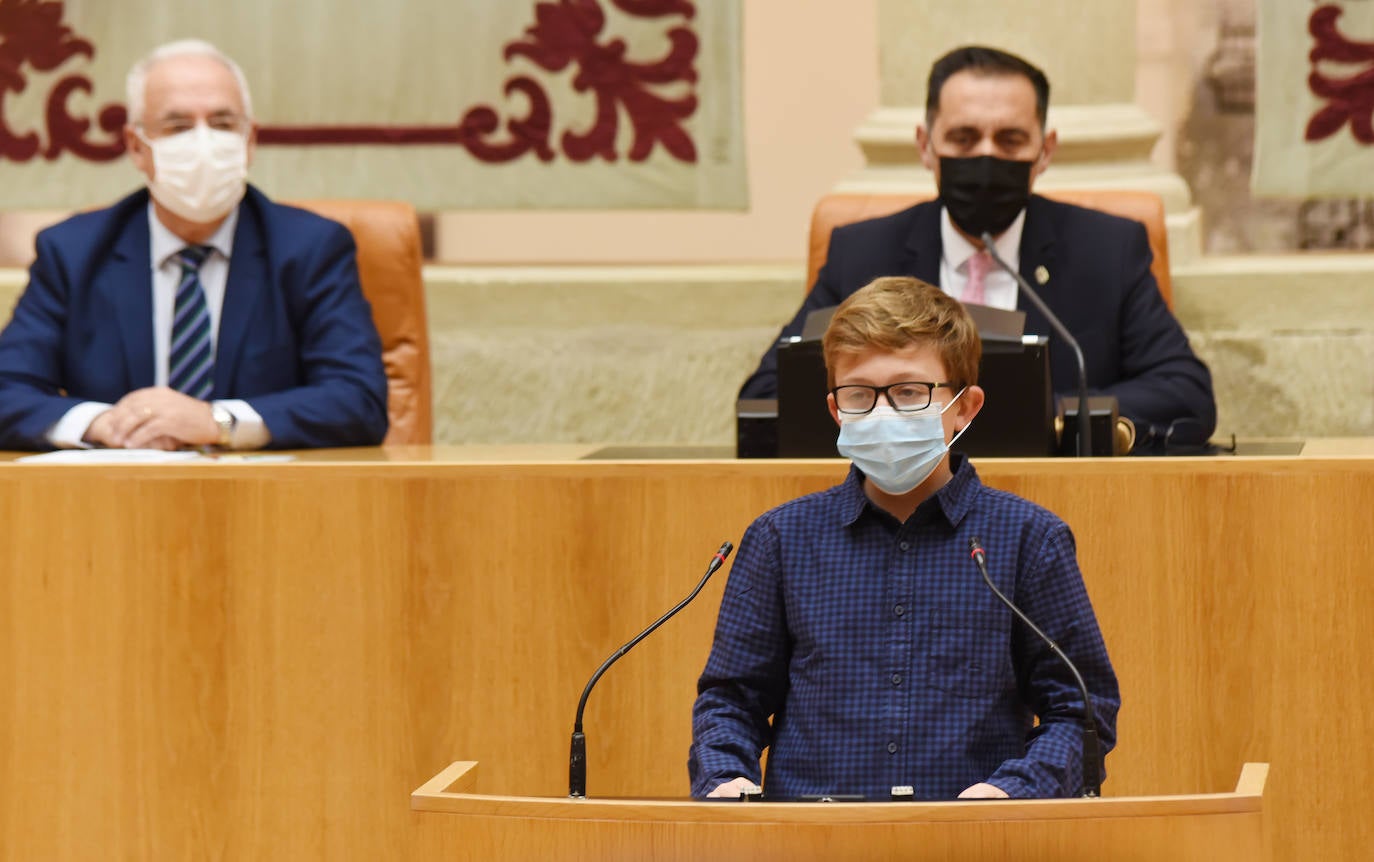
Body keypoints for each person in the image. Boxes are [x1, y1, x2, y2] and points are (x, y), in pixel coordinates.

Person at [691, 277, 1120, 800]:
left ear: (964, 407)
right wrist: (723, 779)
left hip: (974, 841)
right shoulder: (780, 539)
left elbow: (1082, 709)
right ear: (835, 410)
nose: (883, 413)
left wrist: (1013, 792)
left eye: (910, 392)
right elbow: (731, 701)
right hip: (811, 840)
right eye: (859, 394)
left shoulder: (1030, 539)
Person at [739, 45, 1216, 450]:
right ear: (926, 146)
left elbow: (1185, 392)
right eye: (964, 138)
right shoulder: (863, 253)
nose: (986, 157)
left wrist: (1031, 415)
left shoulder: (1107, 249)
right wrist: (904, 417)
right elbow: (764, 398)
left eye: (1010, 140)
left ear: (1044, 151)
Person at [0, 39, 388, 451]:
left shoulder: (311, 248)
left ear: (249, 140)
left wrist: (217, 420)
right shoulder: (74, 252)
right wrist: (104, 423)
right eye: (178, 127)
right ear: (136, 147)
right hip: (118, 503)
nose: (204, 144)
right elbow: (7, 391)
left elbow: (358, 400)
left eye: (222, 125)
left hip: (267, 505)